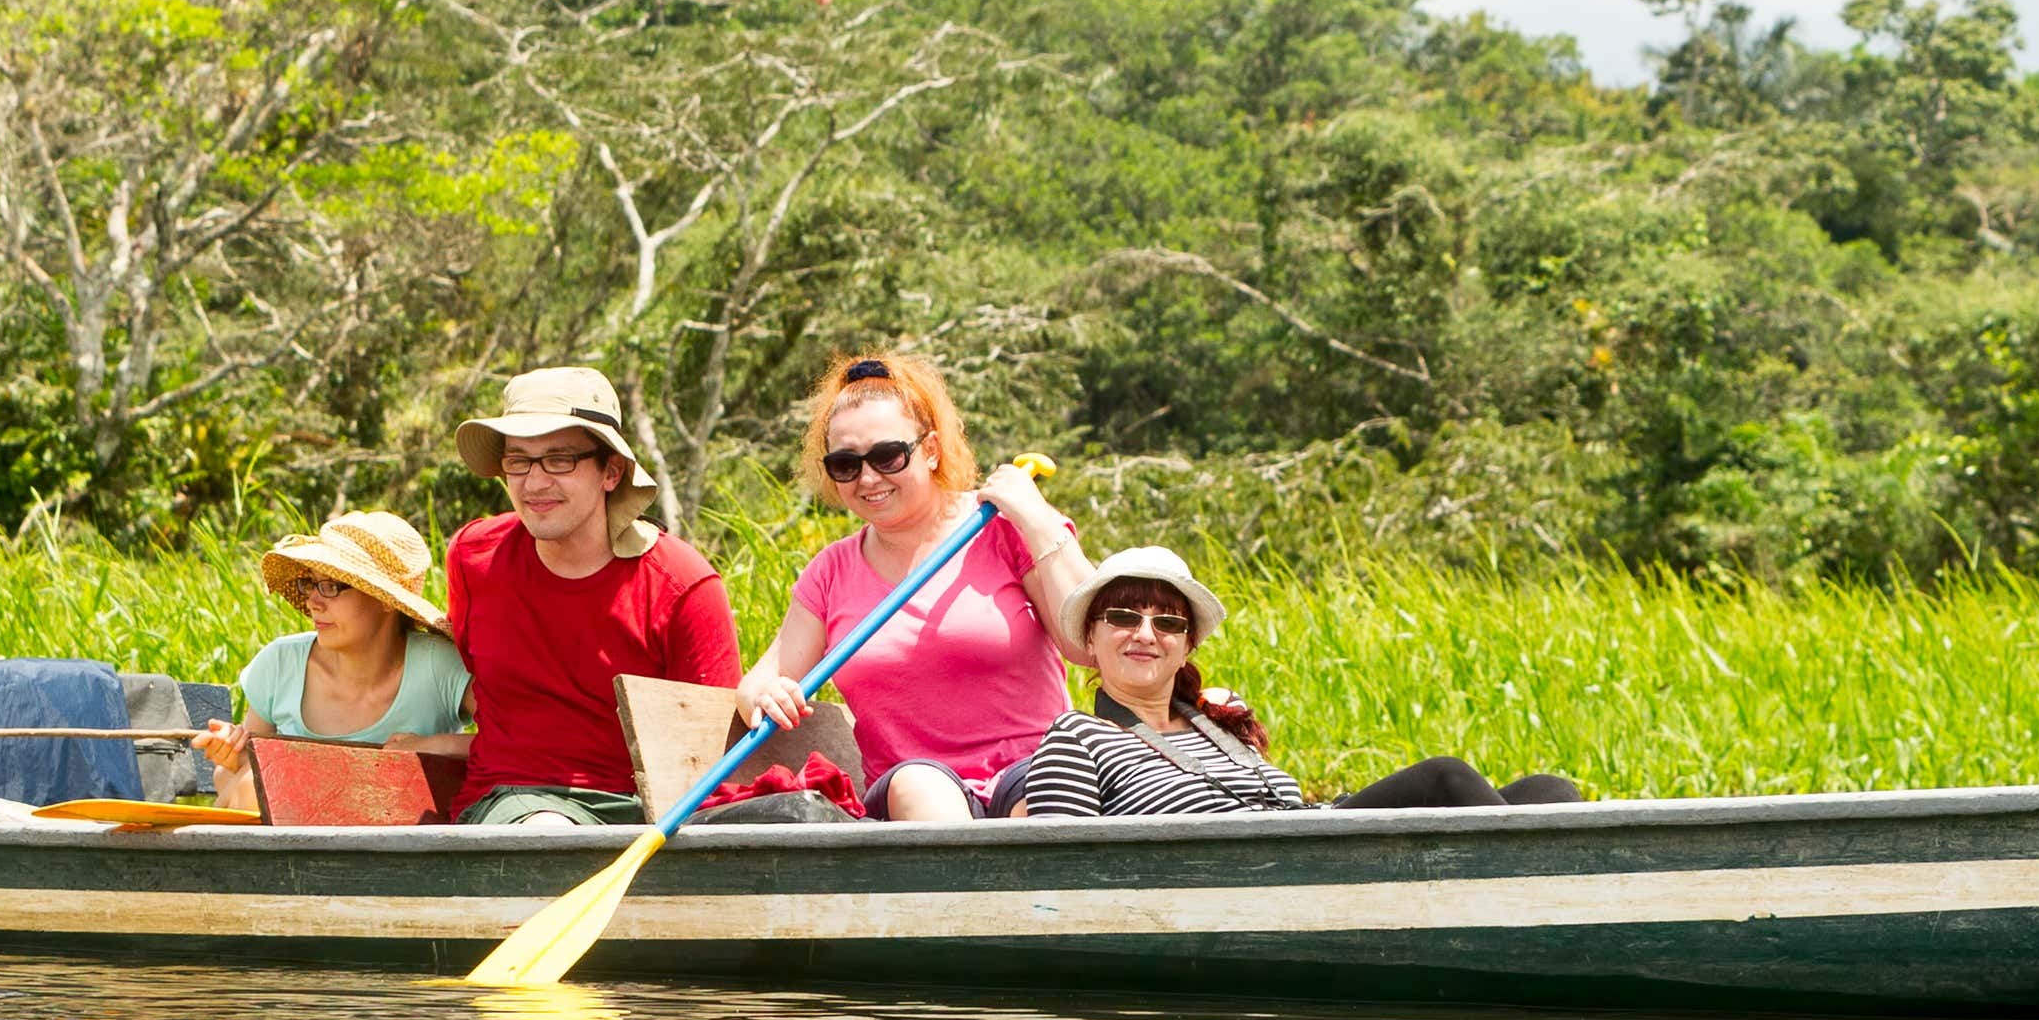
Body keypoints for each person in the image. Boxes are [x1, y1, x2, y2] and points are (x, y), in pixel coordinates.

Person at [739, 353, 1096, 822]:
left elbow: (1087, 643)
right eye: (845, 464)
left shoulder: (1004, 526)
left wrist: (1038, 519)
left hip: (1032, 771)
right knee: (920, 787)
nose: (868, 478)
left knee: (1043, 796)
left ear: (930, 449)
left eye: (887, 456)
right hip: (916, 792)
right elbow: (759, 682)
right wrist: (766, 696)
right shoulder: (831, 572)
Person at [998, 547, 1584, 818]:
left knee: (1550, 790)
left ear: (1187, 644)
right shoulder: (1077, 737)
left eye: (1167, 622)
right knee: (1445, 778)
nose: (1145, 634)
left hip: (1308, 838)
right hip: (1236, 878)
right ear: (1092, 637)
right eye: (1124, 618)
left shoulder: (1213, 725)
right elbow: (1060, 869)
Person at [442, 366, 741, 825]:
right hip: (515, 803)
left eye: (559, 460)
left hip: (653, 815)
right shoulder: (473, 556)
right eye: (518, 460)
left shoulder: (683, 584)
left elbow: (715, 751)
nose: (534, 483)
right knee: (547, 830)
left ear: (611, 471)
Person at [190, 512, 472, 816]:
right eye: (310, 584)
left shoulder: (439, 665)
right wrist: (231, 755)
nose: (313, 602)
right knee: (248, 790)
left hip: (405, 839)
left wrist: (435, 746)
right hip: (287, 841)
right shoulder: (280, 664)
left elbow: (506, 744)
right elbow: (237, 777)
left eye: (332, 586)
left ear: (385, 599)